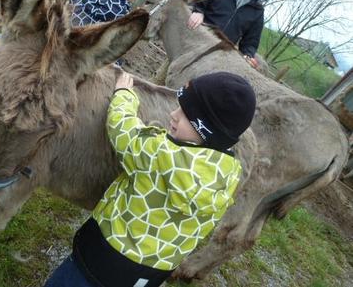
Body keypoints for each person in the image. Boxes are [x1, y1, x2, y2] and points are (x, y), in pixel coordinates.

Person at [44, 70, 257, 287]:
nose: (174, 114)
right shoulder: (229, 174)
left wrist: (124, 95)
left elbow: (123, 130)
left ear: (206, 131)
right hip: (150, 273)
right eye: (179, 106)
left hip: (103, 261)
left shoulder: (161, 154)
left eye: (186, 114)